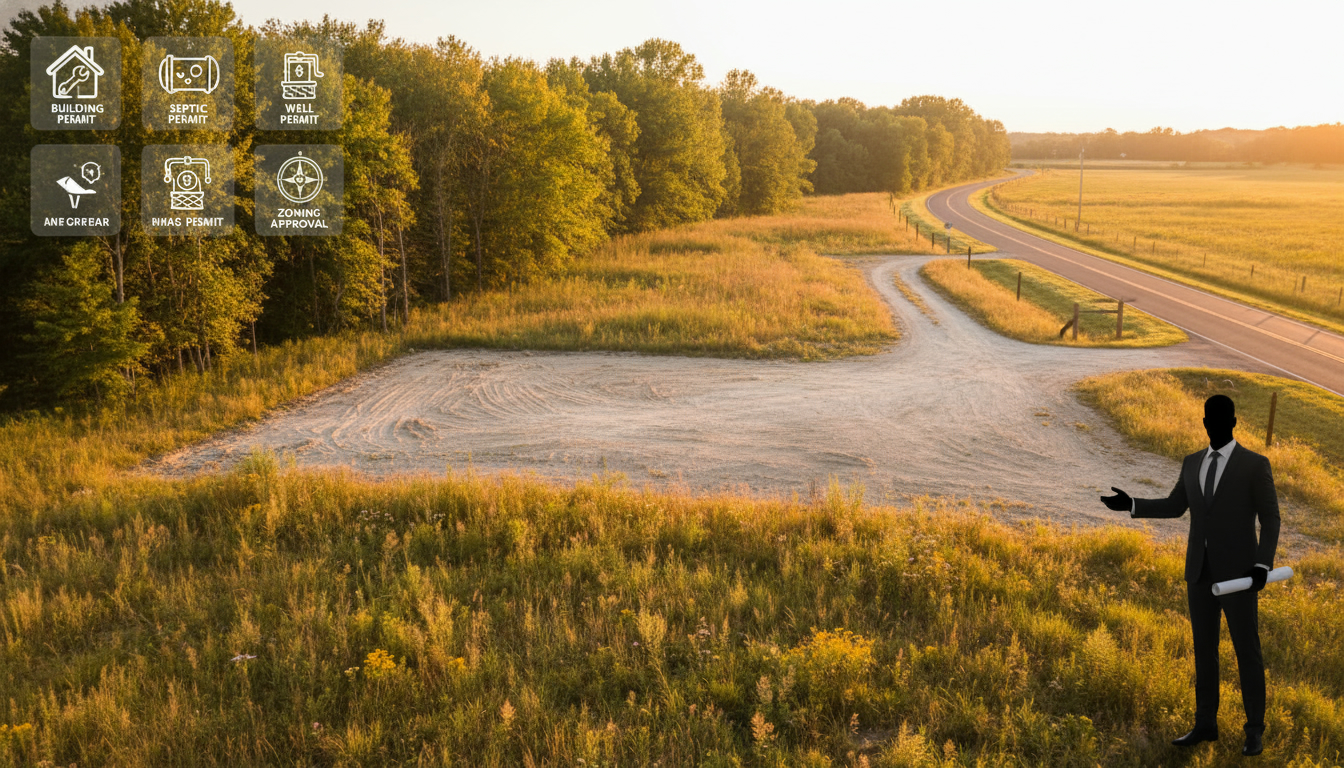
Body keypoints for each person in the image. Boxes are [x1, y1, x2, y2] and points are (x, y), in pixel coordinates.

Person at [1101, 394, 1279, 757]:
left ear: (1233, 421)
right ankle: (1205, 725)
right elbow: (1175, 506)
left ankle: (1254, 731)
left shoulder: (1254, 465)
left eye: (1220, 419)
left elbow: (1271, 518)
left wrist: (1262, 565)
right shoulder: (1191, 462)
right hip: (1199, 573)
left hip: (1240, 576)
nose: (1212, 425)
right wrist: (1132, 504)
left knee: (1247, 652)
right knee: (1204, 652)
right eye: (1207, 419)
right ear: (1203, 423)